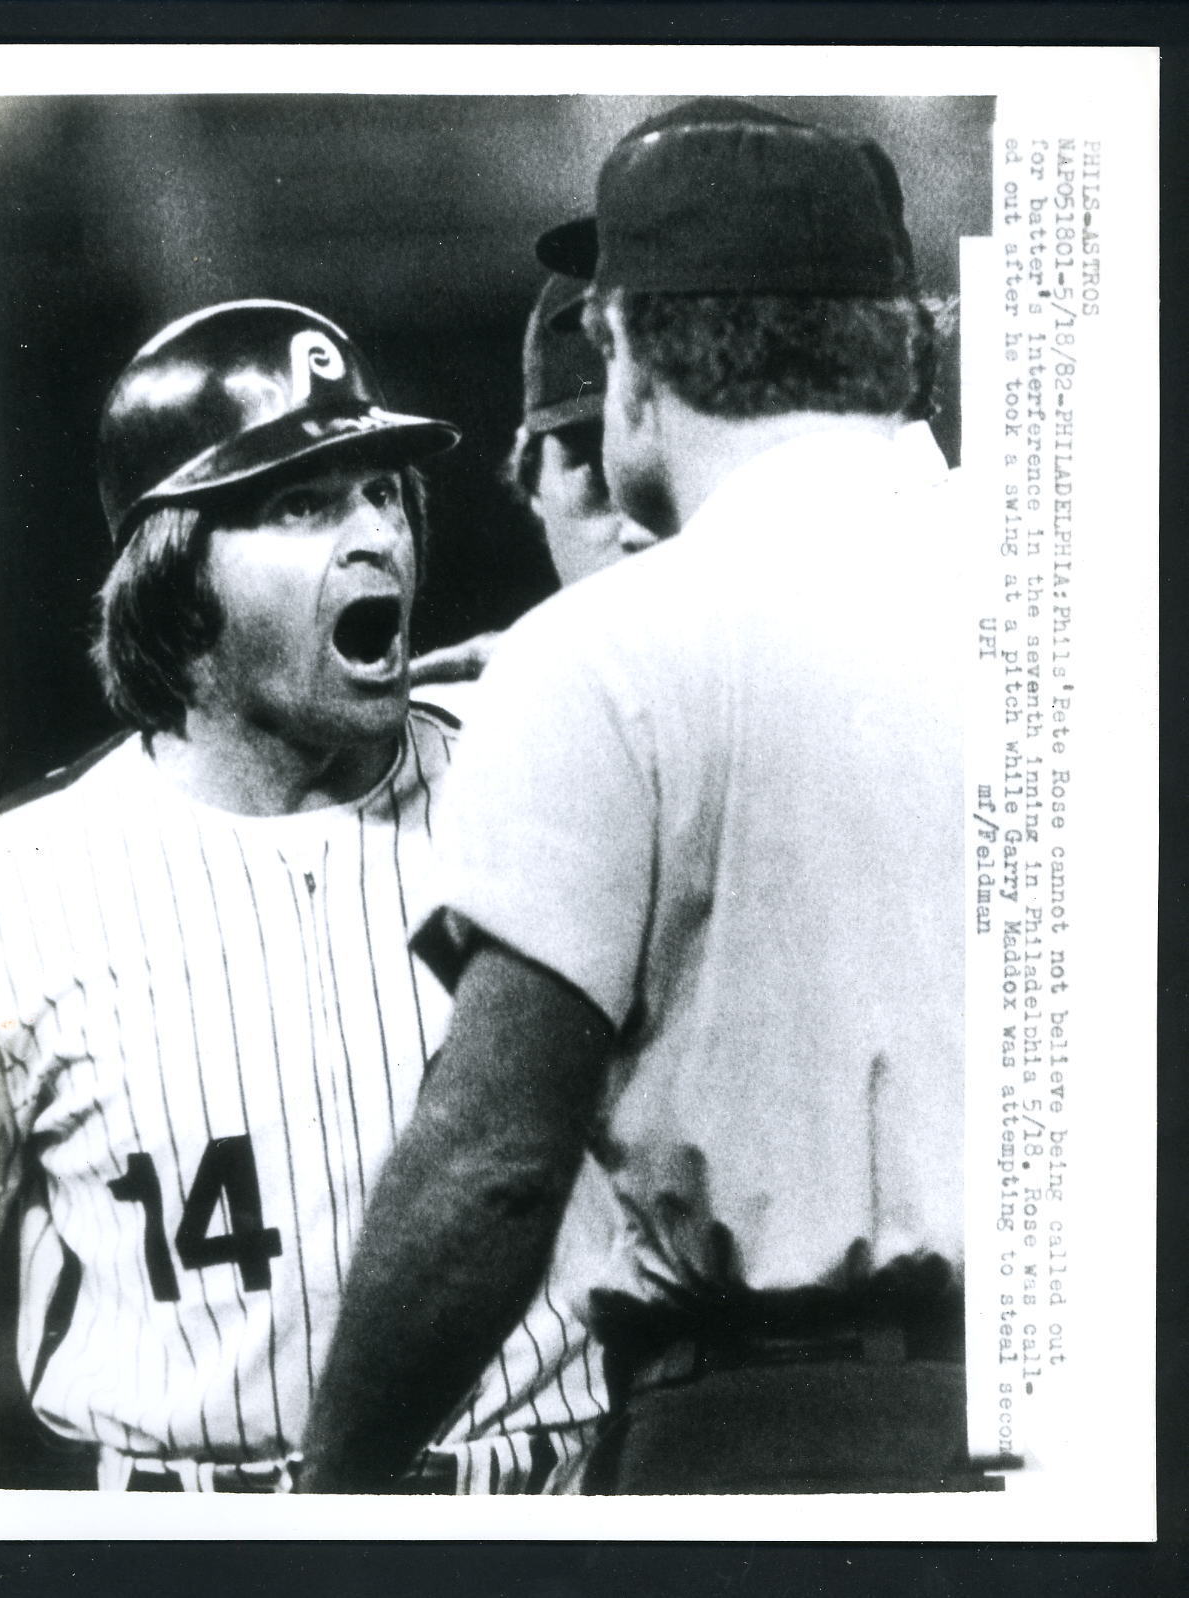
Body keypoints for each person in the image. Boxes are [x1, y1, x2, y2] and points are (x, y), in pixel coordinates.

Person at [301, 101, 979, 1495]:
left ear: (627, 356)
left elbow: (490, 1160)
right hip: (1116, 1422)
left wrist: (327, 1501)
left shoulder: (609, 649)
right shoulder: (1095, 589)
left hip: (772, 1437)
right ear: (897, 338)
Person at [0, 298, 606, 1494]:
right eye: (304, 504)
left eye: (383, 492)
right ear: (173, 580)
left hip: (560, 1503)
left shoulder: (550, 762)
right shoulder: (18, 893)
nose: (374, 533)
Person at [406, 272, 655, 693]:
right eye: (597, 473)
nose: (642, 530)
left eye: (664, 474)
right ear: (530, 476)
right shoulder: (472, 719)